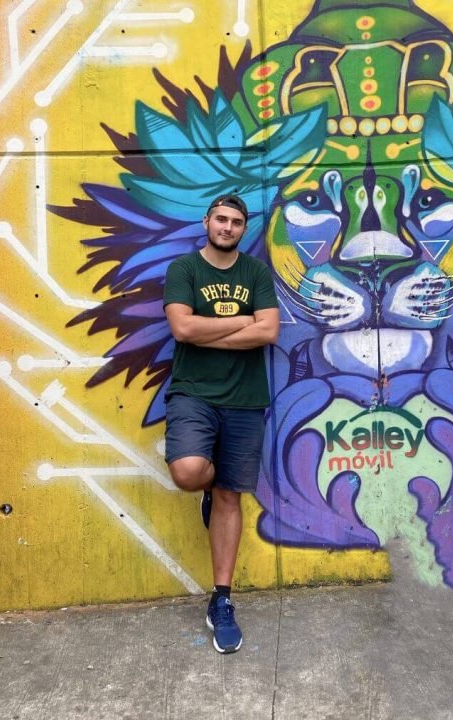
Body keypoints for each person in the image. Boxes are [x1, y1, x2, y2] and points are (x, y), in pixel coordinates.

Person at [162, 194, 280, 653]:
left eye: (236, 222)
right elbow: (182, 330)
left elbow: (268, 332)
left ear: (243, 228)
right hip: (193, 393)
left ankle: (222, 600)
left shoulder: (255, 273)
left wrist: (207, 326)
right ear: (207, 221)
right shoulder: (185, 270)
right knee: (190, 471)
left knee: (231, 495)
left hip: (246, 400)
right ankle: (208, 487)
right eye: (221, 219)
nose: (228, 227)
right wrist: (241, 325)